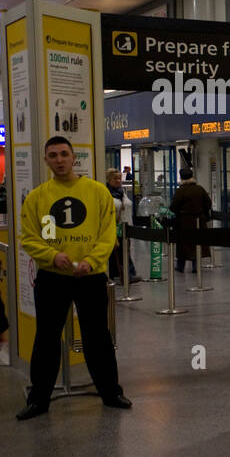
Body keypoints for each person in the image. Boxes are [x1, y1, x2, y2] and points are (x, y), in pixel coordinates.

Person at [16, 136, 131, 420]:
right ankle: (39, 399)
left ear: (73, 158)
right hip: (52, 277)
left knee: (98, 336)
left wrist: (92, 261)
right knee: (46, 338)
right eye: (53, 155)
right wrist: (52, 256)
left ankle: (111, 392)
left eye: (64, 154)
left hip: (90, 277)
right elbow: (29, 238)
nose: (59, 160)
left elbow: (107, 234)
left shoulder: (97, 192)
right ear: (46, 160)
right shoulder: (37, 197)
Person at [169, 167, 212, 273]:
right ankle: (196, 266)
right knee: (197, 243)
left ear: (181, 177)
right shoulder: (200, 189)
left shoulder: (180, 191)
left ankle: (180, 266)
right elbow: (208, 203)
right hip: (199, 220)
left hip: (184, 221)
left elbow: (174, 207)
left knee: (183, 244)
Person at [105, 168, 138, 284]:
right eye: (115, 178)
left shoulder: (121, 191)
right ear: (108, 179)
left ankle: (127, 274)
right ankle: (125, 275)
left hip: (127, 227)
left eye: (119, 178)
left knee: (125, 252)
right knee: (119, 254)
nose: (118, 181)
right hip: (115, 229)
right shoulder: (106, 193)